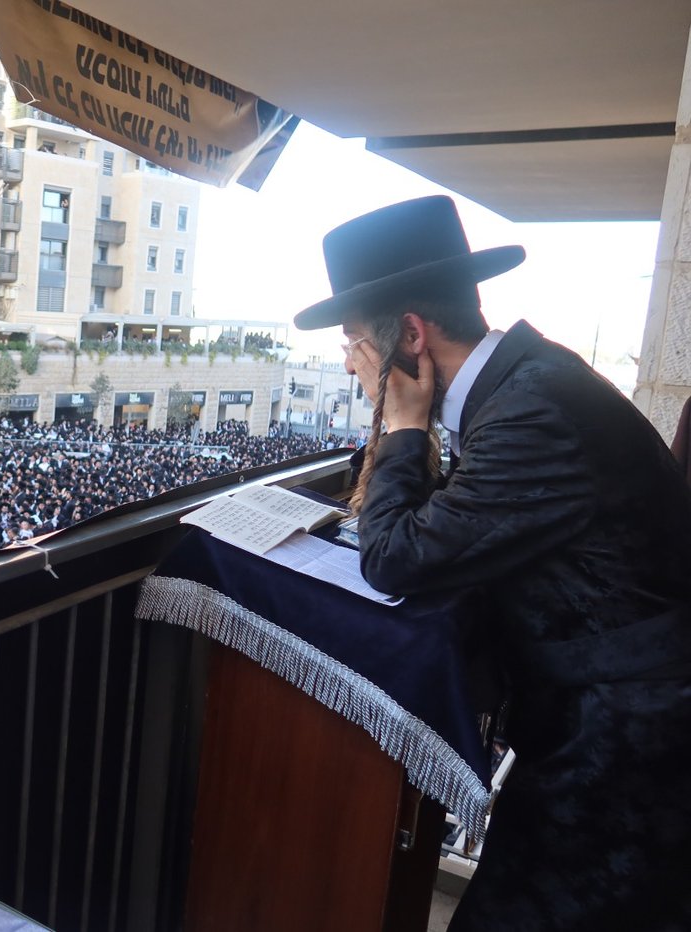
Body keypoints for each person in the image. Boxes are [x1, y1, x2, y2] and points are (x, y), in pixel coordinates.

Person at [293, 195, 691, 931]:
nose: (350, 366)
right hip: (606, 717)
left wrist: (406, 426)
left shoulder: (532, 408)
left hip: (632, 747)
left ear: (410, 335)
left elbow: (394, 557)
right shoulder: (527, 379)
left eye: (356, 345)